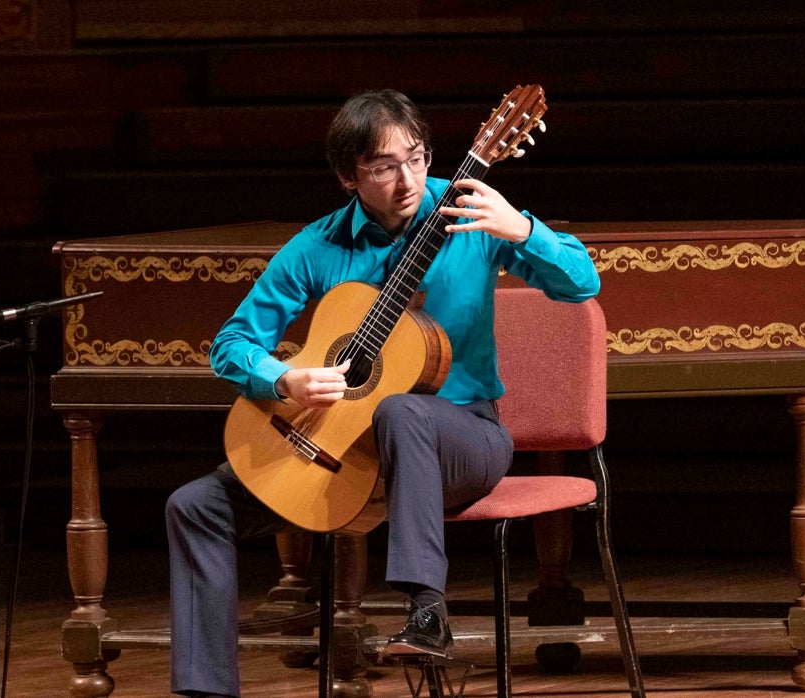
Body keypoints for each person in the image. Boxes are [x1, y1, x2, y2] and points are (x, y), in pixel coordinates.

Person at [165, 88, 599, 698]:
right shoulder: (318, 246)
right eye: (383, 167)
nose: (409, 179)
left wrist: (523, 229)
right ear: (349, 177)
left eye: (417, 157)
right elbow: (231, 343)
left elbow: (582, 285)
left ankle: (427, 612)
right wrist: (282, 378)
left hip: (465, 435)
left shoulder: (472, 214)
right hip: (346, 452)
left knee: (401, 409)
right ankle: (207, 690)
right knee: (193, 505)